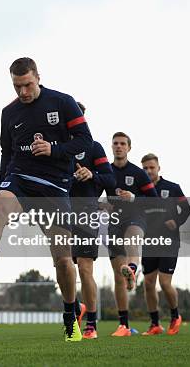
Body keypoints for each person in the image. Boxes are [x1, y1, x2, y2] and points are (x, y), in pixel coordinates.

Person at [0, 57, 93, 342]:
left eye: (28, 85)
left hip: (54, 186)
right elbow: (6, 152)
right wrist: (1, 184)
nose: (23, 92)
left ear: (38, 77)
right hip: (20, 176)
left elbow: (85, 141)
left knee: (64, 261)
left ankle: (70, 315)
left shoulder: (63, 102)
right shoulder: (9, 113)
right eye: (17, 86)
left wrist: (54, 149)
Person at [69, 102, 116, 339]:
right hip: (60, 213)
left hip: (86, 212)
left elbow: (110, 179)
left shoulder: (93, 147)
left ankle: (91, 324)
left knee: (85, 268)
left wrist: (91, 174)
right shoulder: (52, 148)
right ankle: (75, 309)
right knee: (64, 268)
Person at [108, 132, 158, 337]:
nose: (119, 147)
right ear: (111, 147)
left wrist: (134, 197)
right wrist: (102, 206)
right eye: (115, 144)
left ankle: (133, 267)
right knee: (118, 277)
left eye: (122, 144)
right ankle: (124, 326)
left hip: (135, 218)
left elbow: (154, 200)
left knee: (133, 239)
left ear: (129, 148)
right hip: (113, 223)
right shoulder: (106, 171)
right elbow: (95, 193)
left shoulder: (138, 173)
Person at [141, 153, 190, 336]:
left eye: (151, 167)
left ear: (158, 168)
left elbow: (187, 209)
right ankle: (155, 324)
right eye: (145, 168)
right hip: (148, 242)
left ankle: (175, 316)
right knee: (148, 283)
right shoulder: (141, 191)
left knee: (164, 282)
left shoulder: (172, 188)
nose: (148, 171)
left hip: (169, 241)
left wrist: (176, 221)